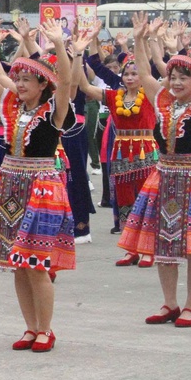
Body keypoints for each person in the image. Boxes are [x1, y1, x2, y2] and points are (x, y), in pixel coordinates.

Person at [0, 15, 75, 353]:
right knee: (18, 264)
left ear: (43, 84)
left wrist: (58, 43)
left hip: (42, 187)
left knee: (36, 264)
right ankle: (30, 327)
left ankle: (46, 329)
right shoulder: (11, 107)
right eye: (17, 78)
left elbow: (66, 80)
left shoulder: (55, 109)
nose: (19, 84)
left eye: (26, 79)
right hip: (10, 186)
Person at [118, 16, 191, 326]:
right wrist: (139, 39)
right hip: (164, 177)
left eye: (183, 78)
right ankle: (170, 303)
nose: (175, 82)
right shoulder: (163, 101)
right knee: (164, 242)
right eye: (172, 77)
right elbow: (144, 71)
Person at [73, 27, 158, 267]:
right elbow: (85, 87)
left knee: (147, 201)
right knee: (125, 201)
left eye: (134, 73)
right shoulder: (114, 97)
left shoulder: (150, 96)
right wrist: (78, 56)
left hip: (145, 153)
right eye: (126, 74)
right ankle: (131, 249)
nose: (129, 77)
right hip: (120, 154)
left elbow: (147, 69)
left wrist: (140, 41)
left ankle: (149, 249)